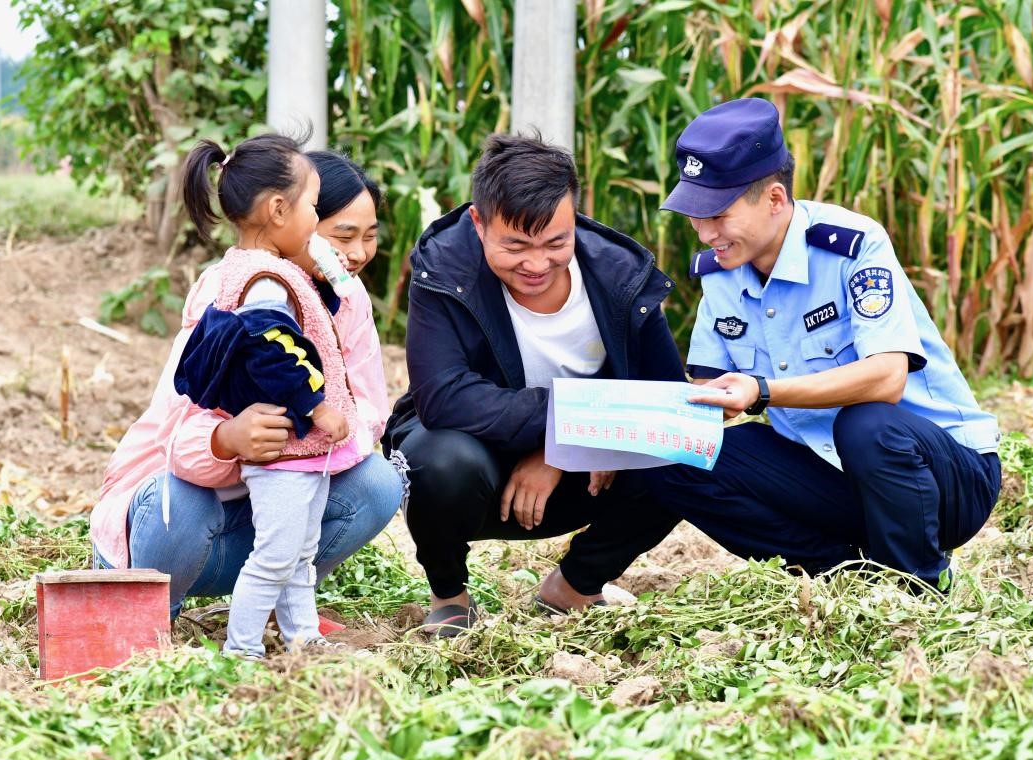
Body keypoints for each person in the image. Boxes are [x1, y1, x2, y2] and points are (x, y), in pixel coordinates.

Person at [651, 98, 1001, 589]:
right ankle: (844, 575)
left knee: (866, 424)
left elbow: (887, 379)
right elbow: (707, 394)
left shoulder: (853, 246)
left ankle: (918, 583)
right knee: (678, 460)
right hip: (830, 474)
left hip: (943, 479)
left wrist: (762, 391)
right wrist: (627, 431)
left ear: (775, 199)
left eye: (719, 215)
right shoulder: (721, 271)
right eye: (695, 215)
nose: (705, 232)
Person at [384, 133, 685, 636]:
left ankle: (575, 585)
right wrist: (570, 424)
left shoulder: (621, 276)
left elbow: (667, 400)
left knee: (682, 454)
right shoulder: (444, 268)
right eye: (516, 246)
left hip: (582, 476)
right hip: (474, 466)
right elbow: (443, 399)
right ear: (478, 223)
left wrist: (566, 448)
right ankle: (450, 596)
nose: (537, 264)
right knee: (440, 460)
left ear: (575, 219)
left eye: (556, 243)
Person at [89, 144, 401, 622]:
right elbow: (177, 437)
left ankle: (274, 607)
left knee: (378, 484)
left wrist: (310, 436)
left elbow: (368, 409)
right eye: (342, 234)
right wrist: (228, 439)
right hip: (176, 522)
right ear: (283, 216)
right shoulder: (237, 292)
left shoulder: (347, 296)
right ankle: (148, 614)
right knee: (187, 502)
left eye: (370, 236)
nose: (358, 254)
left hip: (264, 510)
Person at [170, 134, 360, 658]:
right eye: (313, 207)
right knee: (275, 556)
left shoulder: (263, 269)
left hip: (296, 453)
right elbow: (272, 348)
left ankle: (302, 637)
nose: (316, 220)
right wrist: (318, 405)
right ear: (278, 210)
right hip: (284, 453)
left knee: (299, 554)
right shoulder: (266, 282)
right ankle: (242, 648)